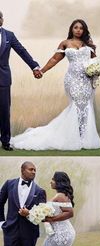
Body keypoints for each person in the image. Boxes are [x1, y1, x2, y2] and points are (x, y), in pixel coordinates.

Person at [11, 19, 100, 151]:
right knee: (76, 105)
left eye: (81, 28)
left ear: (84, 30)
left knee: (86, 106)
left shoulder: (88, 45)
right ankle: (72, 138)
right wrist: (42, 70)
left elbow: (95, 61)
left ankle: (84, 137)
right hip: (72, 80)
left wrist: (97, 70)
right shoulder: (65, 43)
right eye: (75, 27)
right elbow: (55, 59)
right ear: (71, 29)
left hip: (87, 81)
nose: (78, 30)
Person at [0, 11, 42, 151]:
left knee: (4, 111)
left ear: (2, 20)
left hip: (3, 79)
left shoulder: (9, 35)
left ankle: (5, 141)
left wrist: (34, 66)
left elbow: (22, 51)